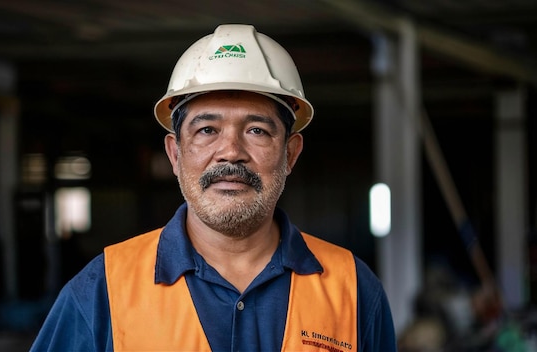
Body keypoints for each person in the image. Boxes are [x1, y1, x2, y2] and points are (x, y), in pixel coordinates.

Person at [30, 24, 397, 351]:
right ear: (175, 153)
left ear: (291, 153)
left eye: (257, 130)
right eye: (207, 130)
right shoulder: (101, 290)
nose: (231, 152)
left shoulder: (354, 289)